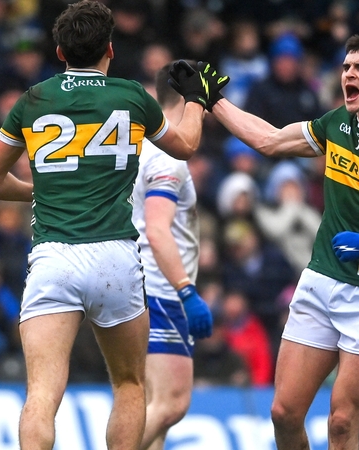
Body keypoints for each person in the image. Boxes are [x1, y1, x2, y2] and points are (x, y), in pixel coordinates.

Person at [173, 34, 359, 449]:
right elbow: (269, 140)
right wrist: (212, 100)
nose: (349, 75)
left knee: (342, 422)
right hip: (320, 280)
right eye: (346, 67)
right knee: (283, 413)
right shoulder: (336, 123)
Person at [0, 1, 213, 449]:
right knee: (129, 385)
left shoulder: (35, 99)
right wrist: (198, 100)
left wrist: (39, 190)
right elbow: (185, 146)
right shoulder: (131, 96)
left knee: (42, 394)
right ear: (110, 47)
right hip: (116, 259)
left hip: (54, 258)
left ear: (60, 52)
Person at [130, 61, 213, 450]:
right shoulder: (168, 157)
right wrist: (185, 291)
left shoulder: (139, 145)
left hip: (135, 285)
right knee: (170, 404)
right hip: (161, 288)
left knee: (149, 405)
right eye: (202, 99)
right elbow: (158, 228)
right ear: (186, 99)